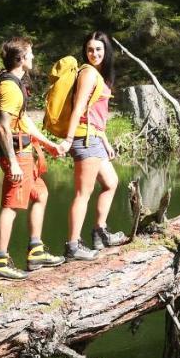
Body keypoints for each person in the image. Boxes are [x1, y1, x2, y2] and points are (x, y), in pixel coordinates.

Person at [0, 37, 70, 279]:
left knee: (41, 194)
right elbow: (3, 128)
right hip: (18, 156)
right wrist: (13, 161)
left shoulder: (16, 84)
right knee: (11, 205)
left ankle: (35, 250)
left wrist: (49, 145)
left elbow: (23, 121)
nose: (34, 58)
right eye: (31, 54)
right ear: (22, 58)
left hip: (26, 153)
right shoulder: (9, 88)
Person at [64, 30, 128, 261]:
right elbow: (79, 108)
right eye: (90, 49)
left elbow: (96, 113)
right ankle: (73, 245)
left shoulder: (100, 74)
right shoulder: (89, 74)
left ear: (106, 50)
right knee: (83, 193)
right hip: (84, 138)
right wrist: (69, 139)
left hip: (94, 137)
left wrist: (105, 140)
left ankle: (100, 232)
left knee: (111, 183)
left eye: (99, 49)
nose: (94, 53)